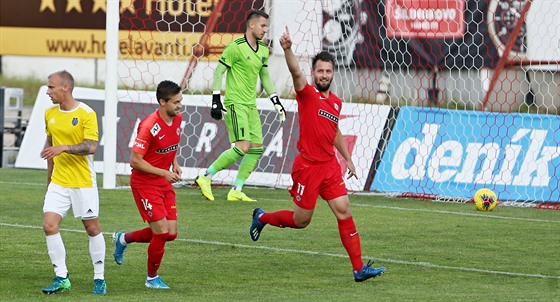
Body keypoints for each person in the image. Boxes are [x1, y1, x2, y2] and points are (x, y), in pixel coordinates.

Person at [249, 28, 386, 282]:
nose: (324, 75)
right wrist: (288, 49)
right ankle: (262, 217)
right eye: (320, 71)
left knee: (344, 210)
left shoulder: (335, 102)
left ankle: (358, 269)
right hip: (308, 167)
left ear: (333, 73)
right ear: (314, 73)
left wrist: (348, 158)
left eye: (328, 71)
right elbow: (295, 72)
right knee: (302, 221)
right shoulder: (307, 94)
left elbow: (334, 131)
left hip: (329, 167)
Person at [195, 9, 286, 202]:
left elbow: (265, 77)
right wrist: (216, 99)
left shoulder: (262, 50)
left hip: (251, 105)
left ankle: (236, 189)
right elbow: (219, 72)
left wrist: (276, 101)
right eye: (262, 26)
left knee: (256, 148)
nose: (265, 30)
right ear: (251, 25)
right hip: (235, 104)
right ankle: (205, 176)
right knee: (243, 146)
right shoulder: (235, 47)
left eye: (266, 27)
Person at [112, 80, 183, 289]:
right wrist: (164, 172)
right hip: (145, 184)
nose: (180, 106)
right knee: (161, 232)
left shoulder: (177, 120)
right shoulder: (149, 126)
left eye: (181, 101)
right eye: (176, 102)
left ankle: (123, 239)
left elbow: (171, 144)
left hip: (163, 181)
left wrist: (174, 163)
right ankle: (152, 278)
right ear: (162, 102)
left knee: (171, 234)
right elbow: (135, 161)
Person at [40, 70, 106, 294]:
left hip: (82, 182)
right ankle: (61, 277)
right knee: (49, 225)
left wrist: (64, 148)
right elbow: (50, 149)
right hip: (59, 182)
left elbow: (91, 146)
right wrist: (49, 181)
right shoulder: (49, 113)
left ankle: (99, 278)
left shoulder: (86, 113)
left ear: (65, 87)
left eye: (51, 87)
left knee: (92, 228)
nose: (48, 91)